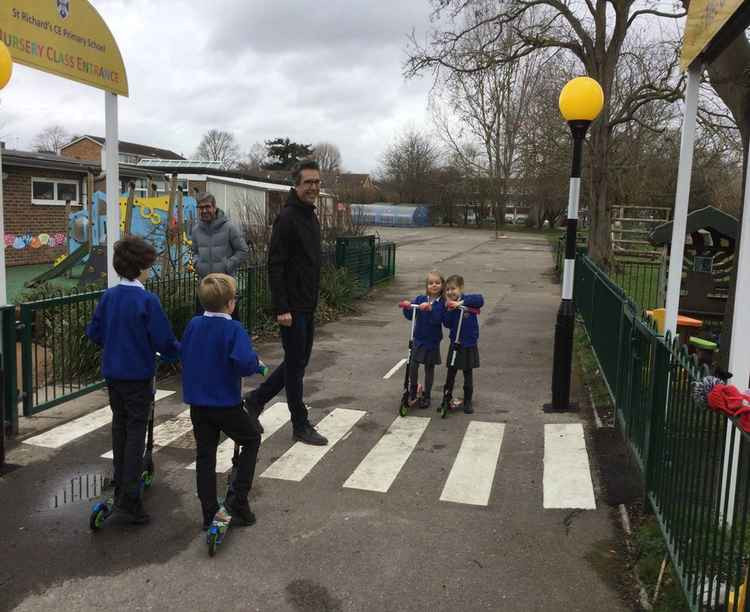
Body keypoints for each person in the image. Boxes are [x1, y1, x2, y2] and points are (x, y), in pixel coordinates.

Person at [85, 236, 179, 525]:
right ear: (141, 266)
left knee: (120, 425)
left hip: (114, 374)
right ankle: (130, 495)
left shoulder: (109, 296)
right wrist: (176, 352)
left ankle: (120, 474)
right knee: (137, 429)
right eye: (148, 265)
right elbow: (164, 340)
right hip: (138, 375)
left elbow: (94, 333)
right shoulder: (147, 300)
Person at [244, 160, 328, 446]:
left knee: (297, 362)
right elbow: (275, 265)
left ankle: (255, 400)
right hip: (292, 307)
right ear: (296, 185)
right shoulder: (289, 217)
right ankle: (299, 424)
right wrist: (282, 308)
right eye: (308, 183)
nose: (313, 187)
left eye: (317, 182)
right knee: (295, 366)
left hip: (307, 303)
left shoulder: (310, 215)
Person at [181, 273, 265, 530]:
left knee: (205, 454)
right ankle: (239, 499)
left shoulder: (194, 325)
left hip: (198, 404)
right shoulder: (233, 329)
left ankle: (209, 512)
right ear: (231, 303)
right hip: (225, 403)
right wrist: (256, 365)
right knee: (251, 438)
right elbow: (242, 361)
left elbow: (184, 350)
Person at [190, 192, 249, 320]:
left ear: (215, 207)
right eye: (201, 208)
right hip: (205, 288)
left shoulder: (229, 227)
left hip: (225, 288)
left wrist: (227, 265)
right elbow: (194, 252)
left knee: (230, 327)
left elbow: (243, 250)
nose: (204, 210)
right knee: (204, 327)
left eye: (207, 207)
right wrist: (196, 264)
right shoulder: (195, 230)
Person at [399, 270, 445, 410]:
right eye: (431, 283)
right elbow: (410, 315)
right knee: (413, 365)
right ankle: (412, 389)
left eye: (437, 283)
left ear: (442, 285)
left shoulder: (441, 303)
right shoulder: (420, 299)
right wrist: (407, 307)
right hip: (418, 338)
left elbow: (439, 319)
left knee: (429, 368)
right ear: (427, 286)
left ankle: (427, 395)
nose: (434, 285)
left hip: (432, 341)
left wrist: (430, 309)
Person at [441, 274, 484, 414]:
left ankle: (467, 401)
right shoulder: (449, 305)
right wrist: (449, 310)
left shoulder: (469, 301)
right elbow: (447, 323)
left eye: (453, 289)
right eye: (447, 290)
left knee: (468, 373)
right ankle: (446, 399)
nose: (450, 292)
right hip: (455, 343)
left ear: (460, 288)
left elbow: (480, 299)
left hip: (468, 343)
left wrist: (461, 303)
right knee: (451, 373)